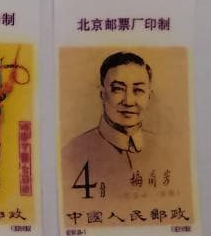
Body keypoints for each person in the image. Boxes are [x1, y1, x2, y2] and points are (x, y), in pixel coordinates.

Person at [62, 51, 160, 179]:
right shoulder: (73, 152)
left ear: (149, 96)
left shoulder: (166, 150)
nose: (129, 101)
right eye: (118, 89)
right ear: (102, 94)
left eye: (138, 90)